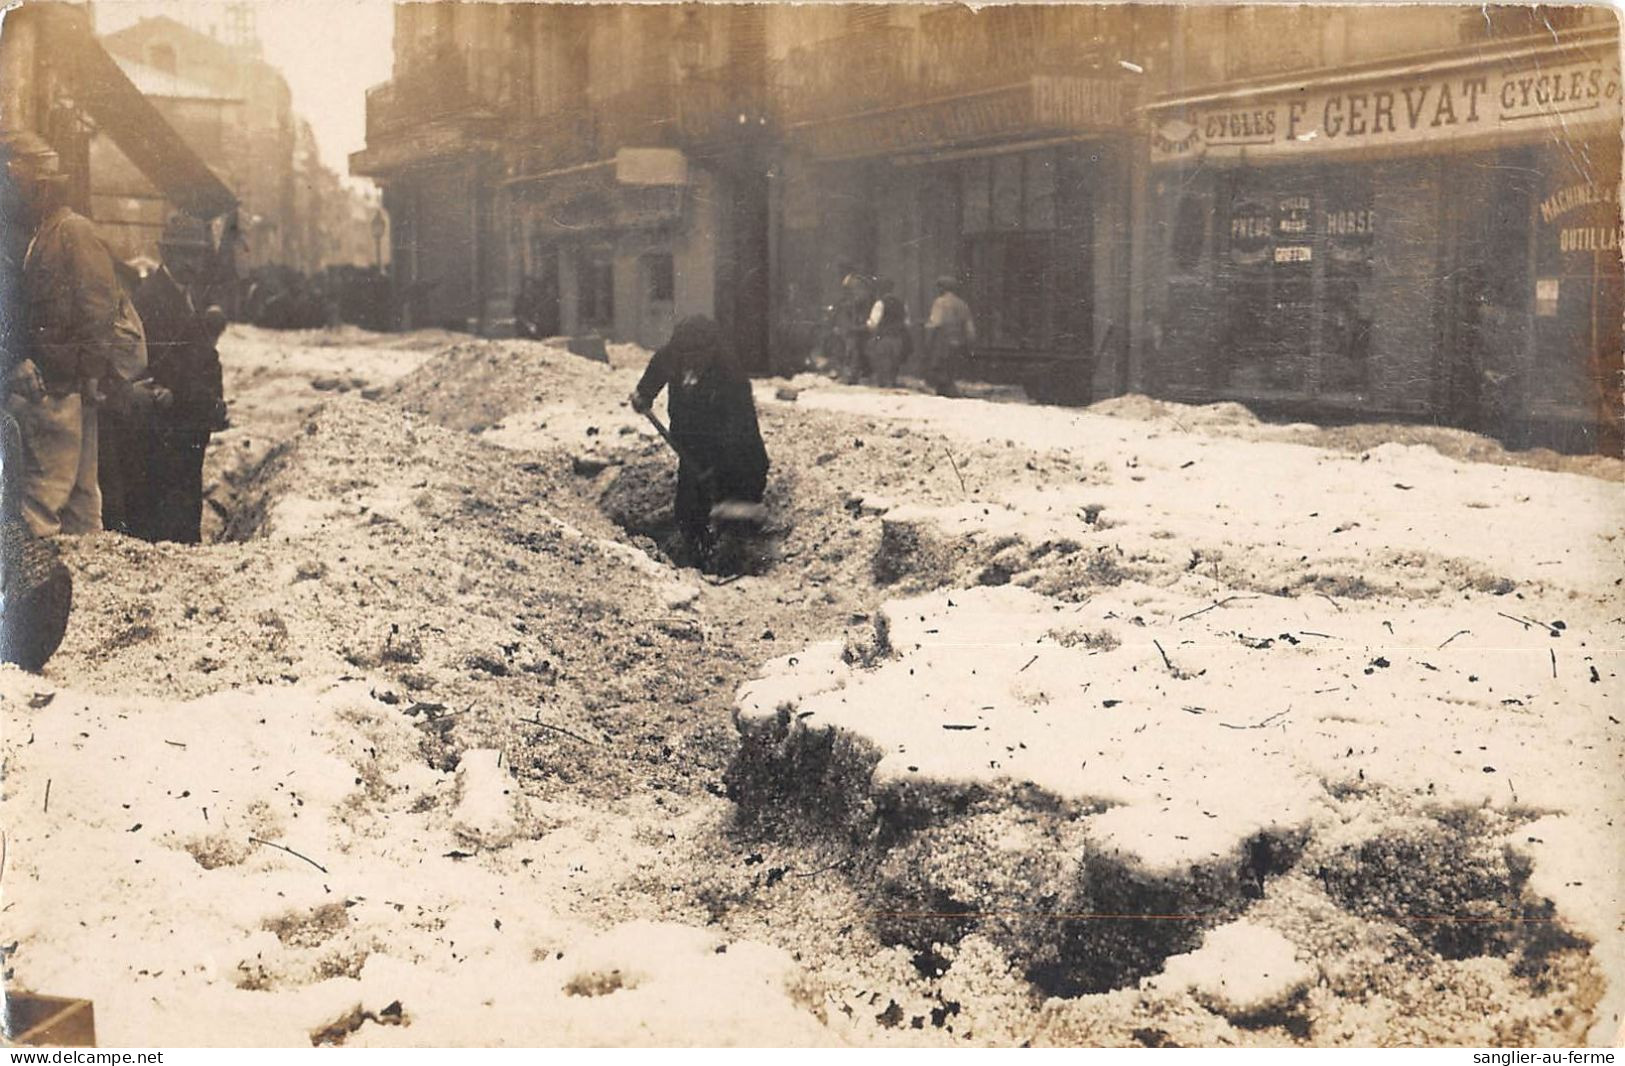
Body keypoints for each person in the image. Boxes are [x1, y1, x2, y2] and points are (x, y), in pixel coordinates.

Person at [1, 130, 122, 537]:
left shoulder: (71, 231)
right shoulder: (43, 235)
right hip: (63, 384)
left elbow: (98, 305)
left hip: (60, 388)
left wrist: (90, 372)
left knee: (43, 499)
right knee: (79, 501)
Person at [628, 315, 769, 568]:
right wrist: (644, 394)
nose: (693, 361)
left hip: (726, 441)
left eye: (699, 356)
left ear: (711, 350)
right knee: (689, 503)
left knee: (735, 488)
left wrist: (721, 471)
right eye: (687, 355)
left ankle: (736, 547)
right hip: (688, 435)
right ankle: (694, 550)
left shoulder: (730, 373)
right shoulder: (672, 355)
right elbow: (656, 372)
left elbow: (742, 430)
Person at [130, 213, 228, 544]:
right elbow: (157, 362)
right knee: (167, 510)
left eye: (198, 254)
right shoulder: (149, 299)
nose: (193, 262)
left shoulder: (190, 295)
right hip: (167, 423)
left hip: (190, 417)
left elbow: (203, 356)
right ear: (166, 253)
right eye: (185, 253)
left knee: (186, 499)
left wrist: (213, 401)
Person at [923, 274, 975, 398]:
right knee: (950, 371)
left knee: (940, 371)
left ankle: (948, 395)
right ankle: (949, 394)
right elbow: (970, 328)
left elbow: (936, 322)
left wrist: (927, 337)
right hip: (958, 342)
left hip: (942, 342)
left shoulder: (940, 302)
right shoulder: (962, 304)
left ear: (942, 288)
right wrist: (969, 343)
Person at [865, 277, 911, 388]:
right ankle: (892, 382)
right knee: (894, 362)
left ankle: (884, 385)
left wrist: (868, 326)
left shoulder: (880, 303)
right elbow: (907, 322)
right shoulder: (901, 303)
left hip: (884, 337)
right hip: (898, 338)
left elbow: (873, 323)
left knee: (883, 361)